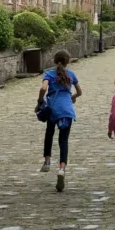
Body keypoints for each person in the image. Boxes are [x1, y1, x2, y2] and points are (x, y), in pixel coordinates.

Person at [38, 49, 82, 192]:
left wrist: (40, 101)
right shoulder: (71, 74)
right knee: (63, 140)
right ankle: (62, 168)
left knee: (49, 133)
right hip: (67, 109)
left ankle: (47, 160)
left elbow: (43, 88)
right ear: (67, 61)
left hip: (54, 108)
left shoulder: (49, 74)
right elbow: (80, 92)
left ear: (54, 60)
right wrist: (72, 97)